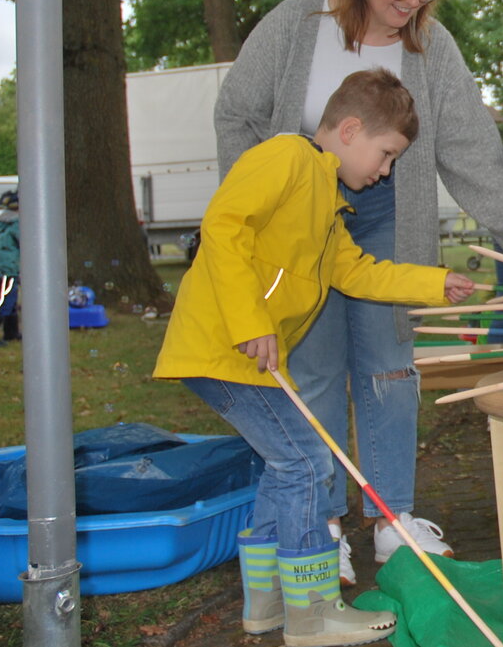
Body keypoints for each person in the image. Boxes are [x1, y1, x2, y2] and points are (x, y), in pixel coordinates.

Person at [215, 0, 503, 584]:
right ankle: (320, 521)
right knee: (316, 367)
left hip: (387, 206)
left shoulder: (432, 49)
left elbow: (470, 147)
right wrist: (261, 200)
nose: (412, 3)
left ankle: (391, 519)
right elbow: (236, 110)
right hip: (302, 212)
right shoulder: (298, 24)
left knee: (388, 363)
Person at [154, 69, 476, 645]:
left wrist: (434, 282)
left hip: (243, 358)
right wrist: (251, 322)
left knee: (287, 465)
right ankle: (314, 610)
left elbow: (357, 272)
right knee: (307, 462)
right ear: (350, 130)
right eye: (385, 155)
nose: (384, 171)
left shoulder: (329, 205)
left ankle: (267, 601)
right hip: (222, 346)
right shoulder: (285, 158)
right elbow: (225, 227)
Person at [0, 190, 19, 345]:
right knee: (2, 301)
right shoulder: (18, 224)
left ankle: (11, 332)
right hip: (6, 268)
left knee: (10, 299)